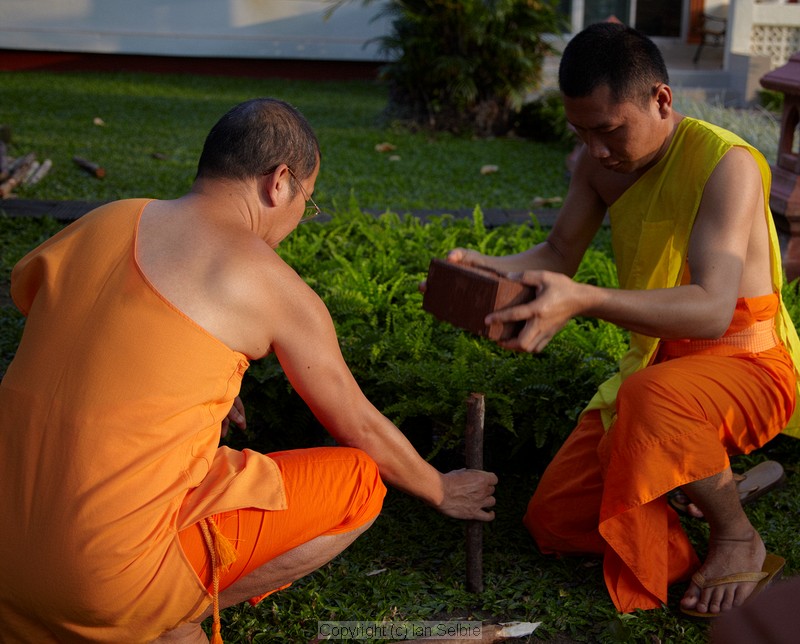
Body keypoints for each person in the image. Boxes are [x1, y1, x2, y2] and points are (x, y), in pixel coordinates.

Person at [0, 98, 498, 643]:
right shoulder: (268, 282)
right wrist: (441, 489)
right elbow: (357, 423)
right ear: (279, 182)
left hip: (7, 569)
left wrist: (201, 380)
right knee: (358, 484)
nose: (296, 223)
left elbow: (57, 312)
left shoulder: (106, 218)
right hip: (103, 586)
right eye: (306, 203)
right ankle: (171, 619)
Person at [445, 23, 800, 617]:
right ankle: (692, 478)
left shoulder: (726, 163)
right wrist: (487, 268)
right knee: (553, 519)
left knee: (650, 398)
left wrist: (582, 299)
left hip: (747, 363)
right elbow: (558, 255)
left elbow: (713, 309)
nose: (597, 150)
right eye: (581, 132)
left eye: (608, 130)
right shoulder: (597, 161)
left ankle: (737, 534)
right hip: (661, 366)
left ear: (661, 100)